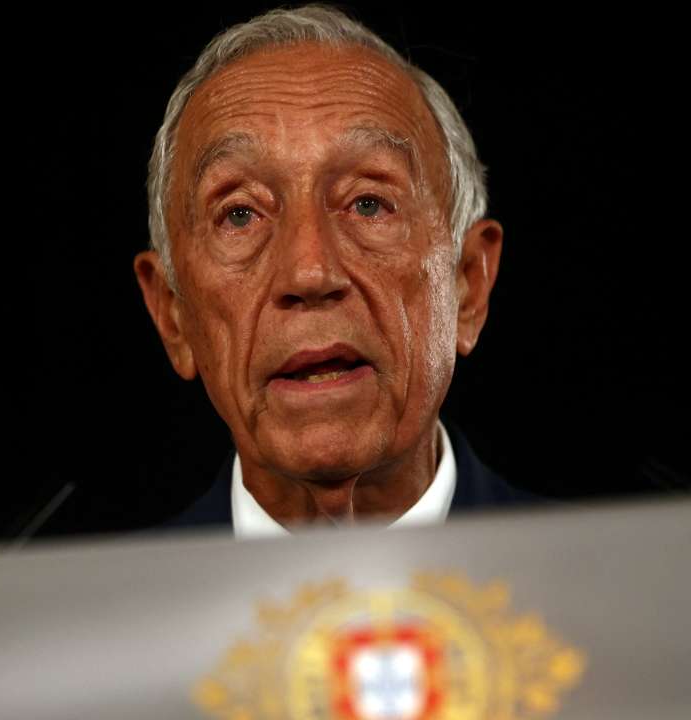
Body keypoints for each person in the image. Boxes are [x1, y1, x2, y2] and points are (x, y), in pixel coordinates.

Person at [133, 4, 537, 538]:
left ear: (468, 284)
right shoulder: (99, 597)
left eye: (368, 203)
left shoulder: (622, 585)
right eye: (240, 214)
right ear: (173, 314)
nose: (309, 272)